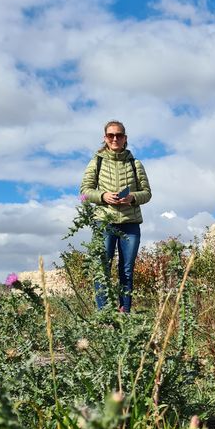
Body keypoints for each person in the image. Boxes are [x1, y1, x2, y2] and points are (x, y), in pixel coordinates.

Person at [80, 120, 152, 313]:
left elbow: (147, 193)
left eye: (119, 135)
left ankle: (124, 313)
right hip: (104, 223)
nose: (115, 138)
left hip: (131, 224)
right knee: (102, 270)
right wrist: (103, 196)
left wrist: (132, 197)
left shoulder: (135, 164)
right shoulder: (97, 161)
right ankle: (104, 316)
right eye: (111, 135)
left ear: (125, 138)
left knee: (127, 271)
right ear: (105, 138)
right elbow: (84, 192)